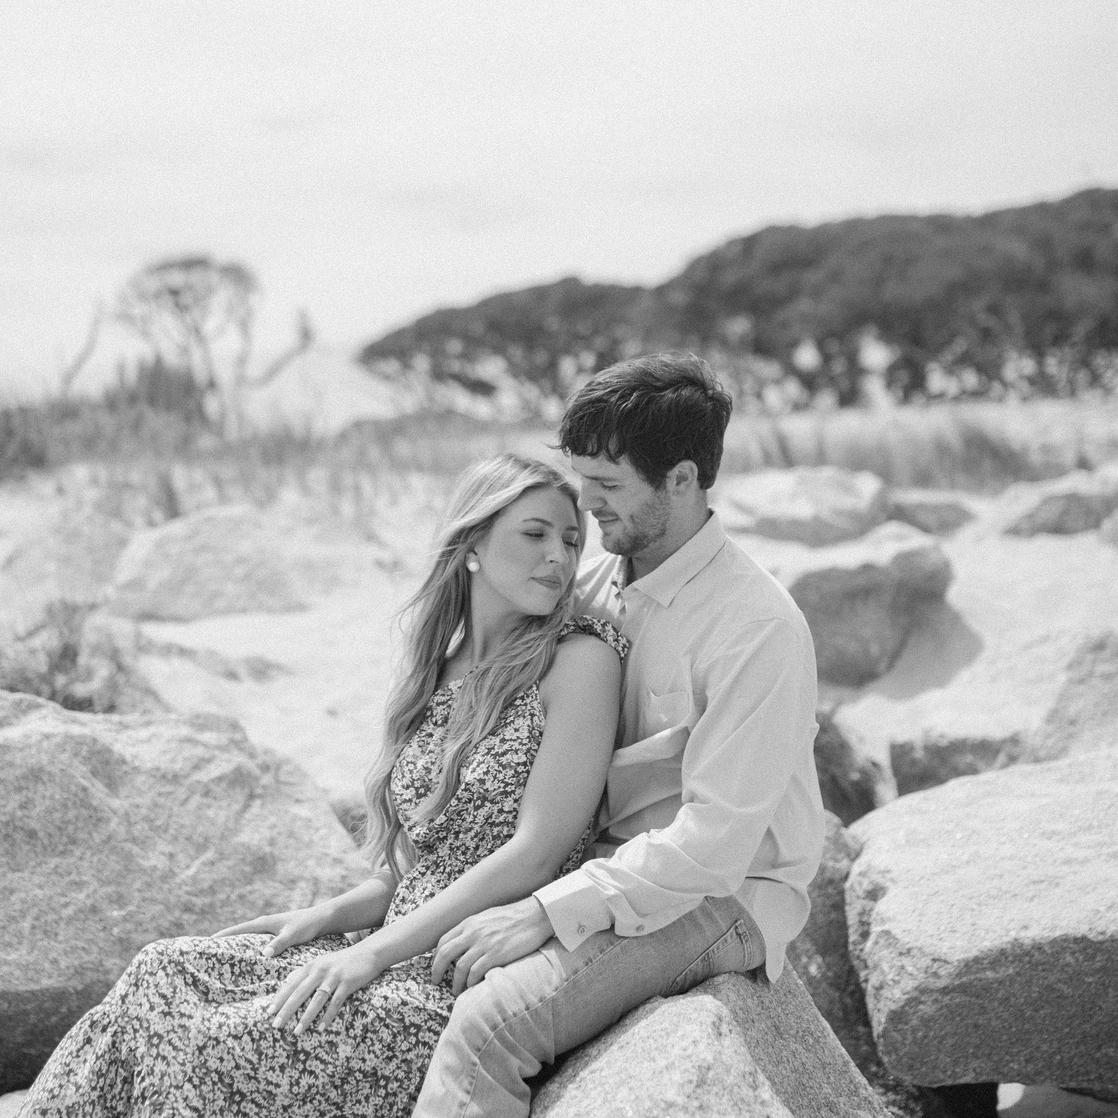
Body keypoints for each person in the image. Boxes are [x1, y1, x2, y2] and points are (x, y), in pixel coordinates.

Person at [19, 454, 627, 1118]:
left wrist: (369, 955)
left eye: (572, 540)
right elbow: (418, 868)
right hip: (385, 947)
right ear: (472, 545)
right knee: (158, 971)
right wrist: (324, 917)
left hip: (458, 979)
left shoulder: (579, 660)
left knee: (203, 1045)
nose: (559, 557)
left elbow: (535, 855)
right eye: (535, 534)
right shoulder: (440, 669)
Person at [413, 353, 825, 1117]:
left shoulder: (757, 627)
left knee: (488, 1024)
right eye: (581, 479)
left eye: (607, 484)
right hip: (596, 866)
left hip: (722, 896)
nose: (585, 504)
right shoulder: (593, 583)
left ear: (682, 479)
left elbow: (713, 846)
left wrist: (544, 911)